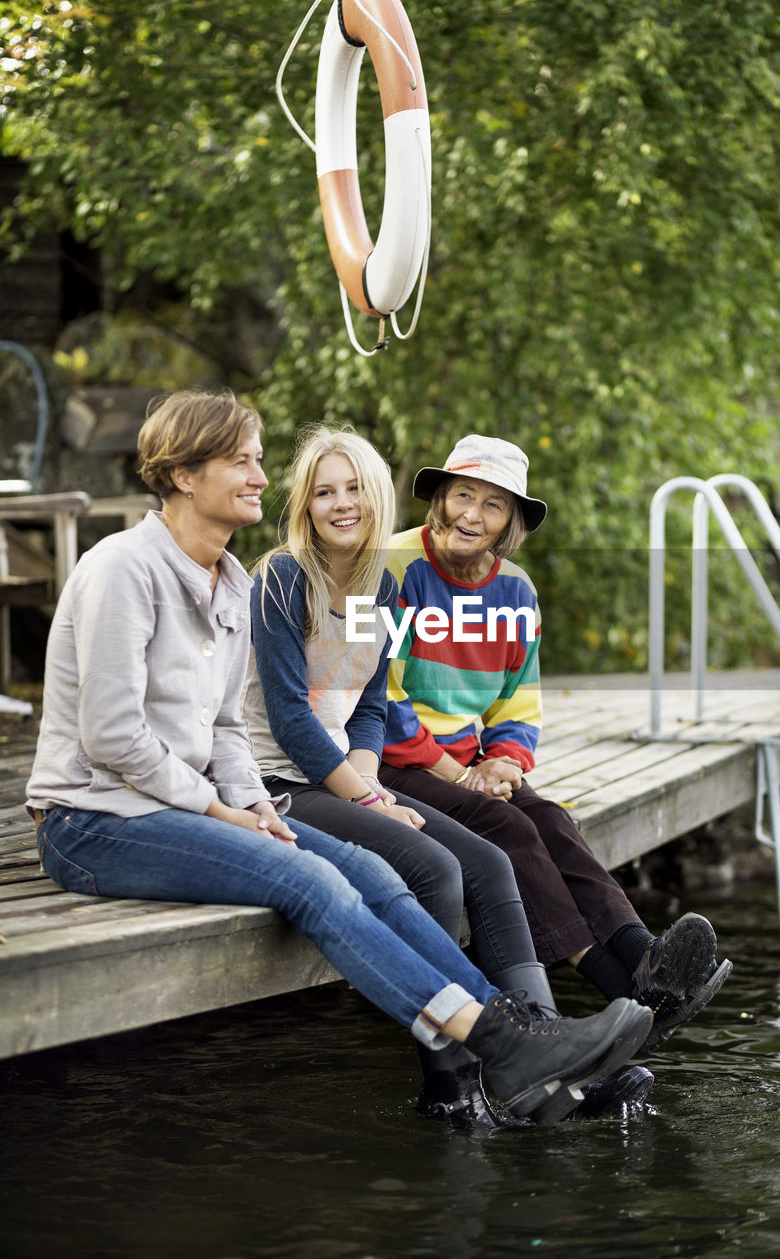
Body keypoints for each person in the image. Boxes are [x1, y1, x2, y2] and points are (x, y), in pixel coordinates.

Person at [24, 391, 653, 1131]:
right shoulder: (128, 571)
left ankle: (526, 1050)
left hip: (199, 802)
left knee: (383, 873)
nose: (263, 477)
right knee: (312, 876)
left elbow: (237, 723)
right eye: (243, 461)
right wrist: (230, 806)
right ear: (186, 475)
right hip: (94, 821)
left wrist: (249, 803)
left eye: (260, 461)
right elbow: (113, 739)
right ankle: (497, 1043)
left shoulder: (228, 580)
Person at [241, 424, 653, 1128]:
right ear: (303, 504)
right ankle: (450, 1085)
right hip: (278, 782)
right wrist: (373, 799)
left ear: (376, 500)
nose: (341, 505)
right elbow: (292, 721)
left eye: (354, 491)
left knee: (491, 863)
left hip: (342, 775)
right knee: (437, 868)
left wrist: (372, 785)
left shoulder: (374, 583)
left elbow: (368, 705)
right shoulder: (284, 576)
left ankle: (547, 1056)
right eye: (323, 492)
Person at [379, 435, 733, 1049]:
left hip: (470, 763)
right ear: (439, 498)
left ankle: (644, 958)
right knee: (511, 831)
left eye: (493, 506)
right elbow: (377, 698)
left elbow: (518, 701)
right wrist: (456, 773)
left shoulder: (515, 590)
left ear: (510, 523)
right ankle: (623, 996)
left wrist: (505, 762)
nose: (471, 515)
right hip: (389, 763)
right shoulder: (390, 566)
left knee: (551, 820)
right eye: (462, 495)